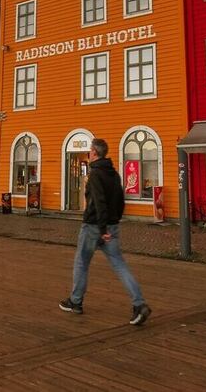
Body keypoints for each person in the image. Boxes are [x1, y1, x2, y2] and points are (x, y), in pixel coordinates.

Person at [59, 138, 151, 326]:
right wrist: (113, 223)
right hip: (112, 226)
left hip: (94, 227)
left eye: (89, 151)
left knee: (82, 263)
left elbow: (98, 202)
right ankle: (139, 304)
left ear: (94, 152)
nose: (88, 153)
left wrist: (102, 229)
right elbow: (120, 200)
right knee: (119, 265)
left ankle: (75, 302)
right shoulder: (114, 174)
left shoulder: (95, 175)